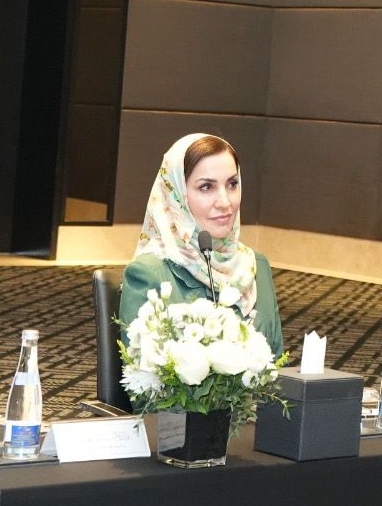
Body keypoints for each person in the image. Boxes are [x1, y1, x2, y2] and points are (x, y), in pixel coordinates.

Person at [119, 134, 283, 356]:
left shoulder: (256, 265)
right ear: (176, 195)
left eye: (232, 184)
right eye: (206, 187)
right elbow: (143, 371)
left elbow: (278, 365)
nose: (225, 202)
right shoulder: (148, 274)